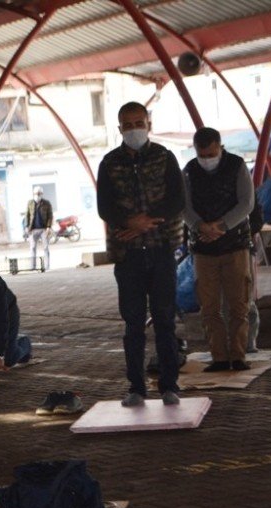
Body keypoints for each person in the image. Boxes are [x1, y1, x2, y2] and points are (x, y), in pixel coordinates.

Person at [97, 101, 185, 407]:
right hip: (127, 255)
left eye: (139, 122)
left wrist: (146, 221)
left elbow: (177, 199)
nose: (135, 128)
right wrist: (128, 223)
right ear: (119, 128)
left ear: (148, 124)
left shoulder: (165, 157)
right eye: (128, 124)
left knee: (165, 320)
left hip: (161, 249)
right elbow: (104, 207)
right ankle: (136, 387)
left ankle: (169, 385)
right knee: (133, 324)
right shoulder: (109, 163)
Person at [183, 127, 255, 373]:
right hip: (203, 248)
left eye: (211, 154)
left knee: (239, 305)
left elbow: (247, 203)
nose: (207, 159)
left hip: (235, 245)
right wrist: (200, 225)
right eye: (202, 155)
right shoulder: (190, 171)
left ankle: (238, 356)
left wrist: (221, 226)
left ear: (220, 147)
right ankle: (220, 358)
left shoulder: (237, 166)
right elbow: (185, 206)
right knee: (209, 307)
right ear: (196, 151)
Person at [24, 187, 53, 271]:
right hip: (33, 230)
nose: (37, 195)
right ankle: (32, 266)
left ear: (42, 194)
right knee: (32, 248)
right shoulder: (30, 203)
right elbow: (27, 215)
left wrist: (48, 227)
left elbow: (50, 216)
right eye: (36, 193)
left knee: (46, 247)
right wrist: (26, 226)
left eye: (39, 193)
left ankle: (47, 266)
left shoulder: (46, 203)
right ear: (33, 194)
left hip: (44, 229)